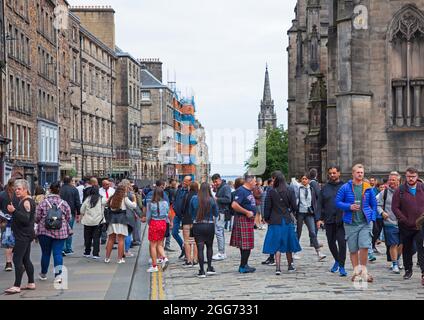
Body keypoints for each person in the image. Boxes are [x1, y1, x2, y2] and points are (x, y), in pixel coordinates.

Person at [336, 164, 377, 283]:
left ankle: (363, 271)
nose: (360, 174)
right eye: (358, 172)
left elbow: (374, 204)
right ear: (353, 173)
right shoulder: (345, 187)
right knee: (353, 249)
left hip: (365, 222)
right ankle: (356, 272)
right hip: (350, 223)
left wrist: (372, 217)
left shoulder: (368, 187)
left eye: (362, 172)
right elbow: (337, 202)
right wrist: (349, 206)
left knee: (364, 246)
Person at [263, 172, 301, 275]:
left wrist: (266, 218)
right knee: (288, 243)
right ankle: (290, 266)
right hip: (286, 219)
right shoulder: (290, 190)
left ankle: (278, 268)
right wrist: (291, 211)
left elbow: (267, 206)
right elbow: (294, 206)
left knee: (277, 244)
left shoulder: (271, 191)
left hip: (274, 220)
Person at [392, 167, 424, 286]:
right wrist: (404, 219)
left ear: (417, 176)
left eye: (413, 176)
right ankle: (408, 269)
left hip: (421, 225)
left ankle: (423, 273)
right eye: (409, 176)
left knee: (421, 248)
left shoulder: (422, 188)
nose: (411, 179)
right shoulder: (400, 190)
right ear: (406, 177)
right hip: (405, 225)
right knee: (407, 248)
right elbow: (395, 208)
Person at [36, 182, 72, 283]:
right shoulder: (64, 203)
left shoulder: (43, 202)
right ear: (59, 191)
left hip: (44, 231)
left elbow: (37, 217)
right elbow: (69, 217)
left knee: (45, 253)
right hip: (61, 232)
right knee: (57, 253)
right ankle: (58, 276)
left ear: (50, 190)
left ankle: (43, 274)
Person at [4, 179, 36, 294]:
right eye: (16, 189)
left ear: (25, 190)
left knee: (17, 259)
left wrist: (13, 211)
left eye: (19, 189)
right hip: (25, 234)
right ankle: (31, 283)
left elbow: (25, 219)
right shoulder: (25, 200)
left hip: (23, 235)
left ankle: (16, 285)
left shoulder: (26, 202)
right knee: (26, 259)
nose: (17, 191)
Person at [316, 166, 347, 276]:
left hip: (342, 220)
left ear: (339, 173)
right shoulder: (325, 188)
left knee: (342, 243)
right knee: (331, 243)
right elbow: (319, 204)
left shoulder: (345, 186)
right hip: (329, 220)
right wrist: (319, 218)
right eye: (330, 173)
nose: (332, 175)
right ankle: (337, 260)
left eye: (334, 173)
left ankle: (342, 266)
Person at [295, 174, 326, 261]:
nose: (304, 180)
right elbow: (295, 200)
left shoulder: (311, 189)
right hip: (300, 213)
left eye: (306, 179)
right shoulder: (298, 189)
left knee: (312, 231)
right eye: (303, 179)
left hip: (309, 213)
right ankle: (295, 251)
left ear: (308, 180)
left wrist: (317, 212)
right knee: (298, 232)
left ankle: (319, 252)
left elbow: (316, 200)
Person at [190, 182, 219, 278]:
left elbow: (190, 213)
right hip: (209, 225)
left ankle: (201, 270)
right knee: (209, 247)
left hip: (197, 225)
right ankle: (210, 267)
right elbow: (216, 213)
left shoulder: (194, 199)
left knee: (200, 248)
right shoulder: (212, 200)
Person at [230, 175, 257, 273]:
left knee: (246, 245)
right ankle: (243, 266)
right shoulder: (241, 190)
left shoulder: (248, 191)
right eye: (254, 181)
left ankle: (244, 264)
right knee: (246, 245)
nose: (255, 183)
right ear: (249, 181)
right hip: (243, 219)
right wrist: (246, 212)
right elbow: (234, 205)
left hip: (247, 220)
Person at [377, 171, 403, 274]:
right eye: (390, 179)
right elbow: (377, 204)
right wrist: (382, 212)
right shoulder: (385, 192)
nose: (391, 181)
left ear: (398, 181)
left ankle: (398, 258)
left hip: (403, 222)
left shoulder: (404, 191)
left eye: (393, 180)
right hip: (389, 221)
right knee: (393, 244)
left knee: (402, 244)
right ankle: (394, 263)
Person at [104, 185, 136, 264]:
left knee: (111, 239)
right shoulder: (124, 198)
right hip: (122, 220)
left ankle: (107, 258)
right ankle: (119, 259)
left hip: (112, 220)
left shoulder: (112, 197)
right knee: (121, 240)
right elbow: (133, 206)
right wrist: (134, 199)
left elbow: (105, 204)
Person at [146, 188, 170, 273]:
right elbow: (167, 214)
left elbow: (148, 216)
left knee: (153, 245)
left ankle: (154, 265)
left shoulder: (150, 204)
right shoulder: (165, 203)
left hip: (154, 223)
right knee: (160, 244)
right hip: (163, 223)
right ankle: (164, 258)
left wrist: (149, 223)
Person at [80, 185, 107, 259]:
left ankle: (87, 252)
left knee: (87, 237)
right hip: (98, 222)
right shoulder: (101, 199)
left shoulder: (87, 199)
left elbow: (82, 210)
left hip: (87, 221)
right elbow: (107, 203)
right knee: (96, 238)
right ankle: (95, 254)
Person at [211, 174, 232, 261]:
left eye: (216, 181)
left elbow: (228, 199)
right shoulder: (221, 187)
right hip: (219, 212)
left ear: (219, 179)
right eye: (214, 182)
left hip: (222, 212)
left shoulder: (225, 187)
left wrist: (217, 199)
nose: (215, 183)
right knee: (220, 232)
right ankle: (222, 252)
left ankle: (221, 253)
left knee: (219, 232)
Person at [0, 178, 19, 272]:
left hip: (17, 221)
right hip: (5, 222)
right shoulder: (2, 195)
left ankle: (14, 259)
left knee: (16, 242)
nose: (16, 189)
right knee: (8, 243)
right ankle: (8, 263)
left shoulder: (18, 195)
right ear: (10, 186)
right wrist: (1, 220)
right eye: (15, 187)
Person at [60, 176, 81, 256]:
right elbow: (77, 202)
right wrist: (78, 213)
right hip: (71, 212)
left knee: (61, 230)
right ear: (70, 181)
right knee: (69, 230)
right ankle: (68, 249)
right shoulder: (74, 189)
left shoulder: (60, 189)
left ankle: (62, 248)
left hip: (60, 212)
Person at [173, 176, 192, 260]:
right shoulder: (179, 190)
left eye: (186, 181)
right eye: (183, 181)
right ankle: (183, 247)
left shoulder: (190, 191)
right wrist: (174, 207)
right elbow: (175, 200)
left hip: (185, 216)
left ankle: (187, 254)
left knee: (187, 237)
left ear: (190, 182)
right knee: (174, 233)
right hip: (177, 215)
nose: (184, 182)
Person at [182, 182, 199, 267]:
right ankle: (195, 260)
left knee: (186, 241)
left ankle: (188, 260)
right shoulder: (199, 196)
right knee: (196, 241)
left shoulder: (186, 196)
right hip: (195, 221)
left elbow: (181, 208)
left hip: (186, 220)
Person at [99, 179, 116, 245]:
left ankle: (112, 239)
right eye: (106, 184)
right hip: (103, 209)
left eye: (108, 184)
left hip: (111, 208)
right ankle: (103, 238)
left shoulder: (112, 190)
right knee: (103, 224)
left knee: (111, 224)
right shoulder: (99, 191)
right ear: (103, 185)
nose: (108, 185)